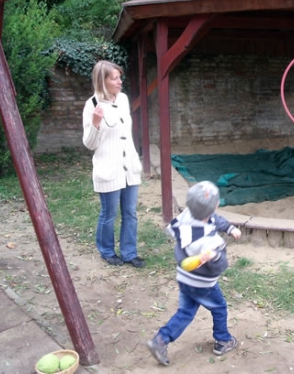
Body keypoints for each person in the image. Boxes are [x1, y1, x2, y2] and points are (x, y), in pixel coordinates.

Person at [147, 181, 242, 366]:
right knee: (219, 307)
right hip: (203, 284)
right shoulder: (210, 242)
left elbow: (214, 218)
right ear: (216, 205)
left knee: (186, 311)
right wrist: (215, 257)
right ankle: (223, 340)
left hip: (184, 278)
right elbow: (220, 266)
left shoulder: (187, 216)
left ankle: (160, 340)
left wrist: (229, 228)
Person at [82, 60, 145, 268]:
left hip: (129, 167)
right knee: (109, 214)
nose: (120, 82)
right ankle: (107, 251)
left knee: (130, 213)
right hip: (108, 169)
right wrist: (95, 124)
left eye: (120, 77)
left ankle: (129, 253)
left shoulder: (124, 99)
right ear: (103, 81)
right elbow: (89, 144)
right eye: (115, 78)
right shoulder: (92, 105)